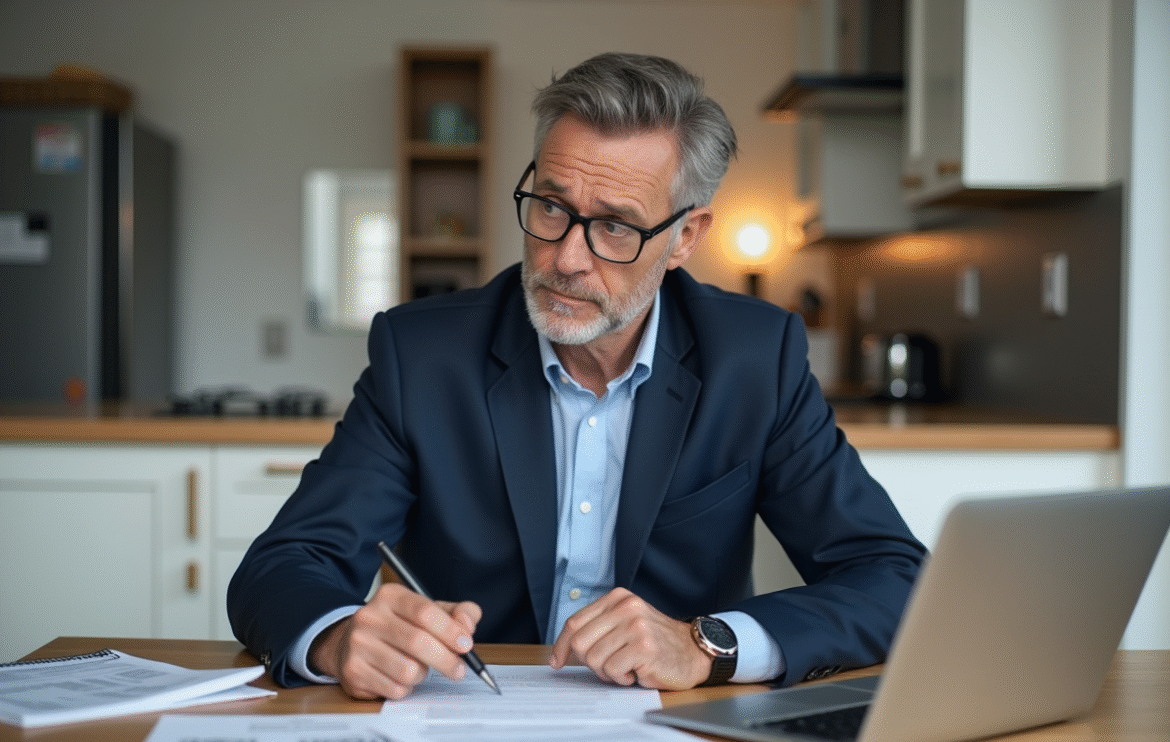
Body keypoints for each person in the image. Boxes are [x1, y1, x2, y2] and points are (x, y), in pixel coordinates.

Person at [228, 52, 926, 701]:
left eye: (616, 227)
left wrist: (705, 644)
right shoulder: (422, 355)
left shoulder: (755, 358)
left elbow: (894, 577)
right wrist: (337, 636)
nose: (565, 258)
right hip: (461, 718)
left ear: (685, 237)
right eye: (552, 207)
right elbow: (284, 565)